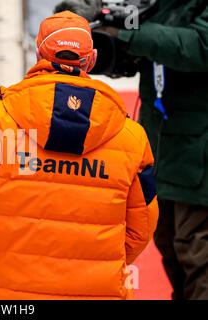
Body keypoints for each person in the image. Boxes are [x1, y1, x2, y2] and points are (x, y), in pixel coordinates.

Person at [0, 11, 159, 300]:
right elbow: (144, 222)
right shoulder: (132, 138)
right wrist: (100, 261)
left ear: (38, 54)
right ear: (92, 59)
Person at [96, 0, 208, 300]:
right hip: (162, 148)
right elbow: (134, 54)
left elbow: (198, 46)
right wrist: (94, 21)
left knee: (197, 250)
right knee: (169, 244)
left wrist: (129, 33)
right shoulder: (162, 4)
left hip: (199, 154)